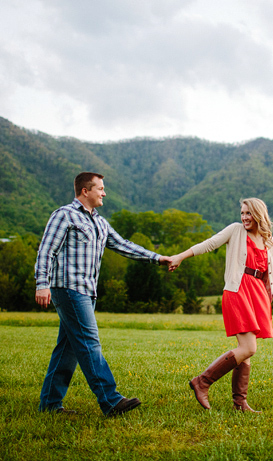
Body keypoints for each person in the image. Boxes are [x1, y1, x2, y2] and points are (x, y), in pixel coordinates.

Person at [34, 172, 171, 416]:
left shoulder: (99, 222)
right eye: (100, 188)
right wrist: (41, 283)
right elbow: (46, 250)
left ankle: (50, 405)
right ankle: (110, 401)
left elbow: (124, 245)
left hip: (87, 292)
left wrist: (157, 258)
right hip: (68, 288)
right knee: (89, 342)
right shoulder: (64, 215)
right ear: (85, 191)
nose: (104, 193)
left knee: (67, 349)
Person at [169, 198, 273, 412]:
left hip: (258, 293)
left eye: (248, 213)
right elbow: (209, 244)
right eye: (242, 213)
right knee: (248, 348)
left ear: (259, 214)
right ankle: (202, 381)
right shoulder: (236, 231)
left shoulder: (269, 240)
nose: (244, 217)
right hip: (238, 290)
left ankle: (240, 403)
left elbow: (271, 272)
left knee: (247, 351)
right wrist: (181, 256)